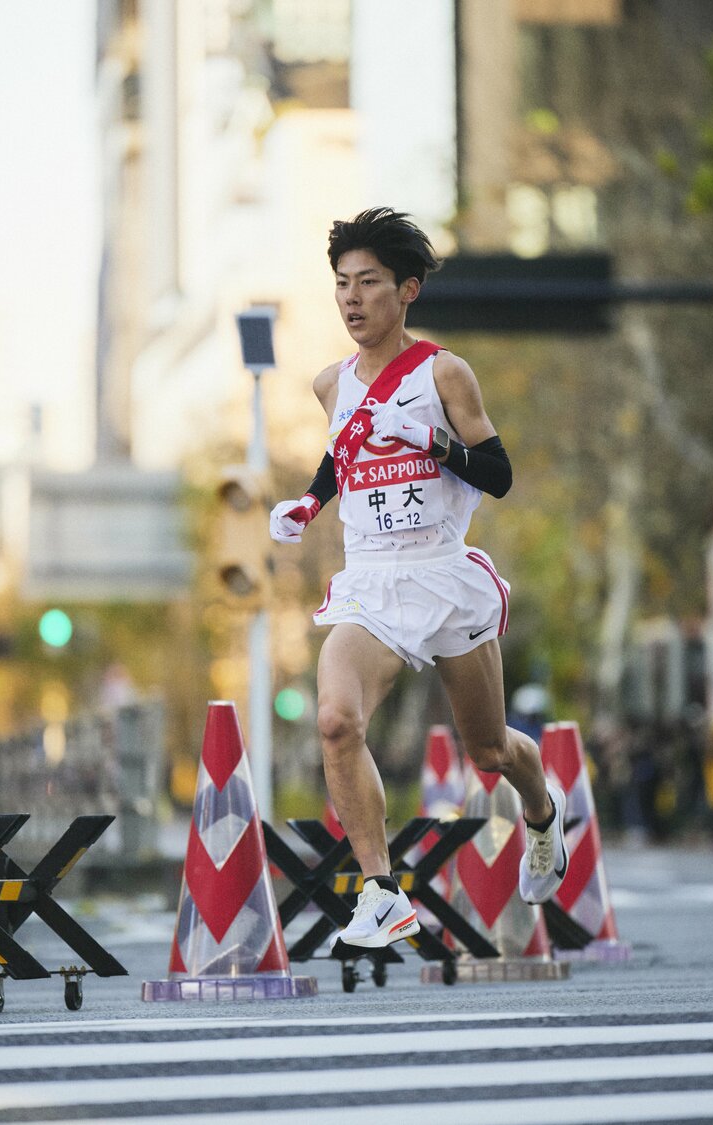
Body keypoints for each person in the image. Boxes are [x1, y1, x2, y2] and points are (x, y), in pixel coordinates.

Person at [268, 207, 566, 950]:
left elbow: (497, 475)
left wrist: (432, 440)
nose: (351, 299)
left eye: (368, 282)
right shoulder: (328, 383)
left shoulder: (444, 372)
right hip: (370, 583)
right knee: (336, 718)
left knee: (490, 752)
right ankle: (380, 891)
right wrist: (307, 503)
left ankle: (543, 810)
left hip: (441, 573)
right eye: (341, 284)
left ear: (408, 290)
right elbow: (343, 455)